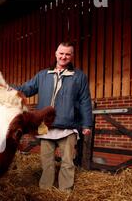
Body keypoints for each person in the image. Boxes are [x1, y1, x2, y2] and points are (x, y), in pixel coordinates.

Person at [16, 41, 93, 191]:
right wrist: (7, 88)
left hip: (68, 126)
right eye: (61, 53)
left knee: (67, 162)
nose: (64, 57)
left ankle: (65, 191)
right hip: (46, 126)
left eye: (67, 54)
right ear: (56, 54)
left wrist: (86, 124)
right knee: (46, 161)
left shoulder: (79, 77)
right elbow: (26, 89)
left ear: (72, 56)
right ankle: (45, 190)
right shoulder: (43, 75)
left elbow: (85, 101)